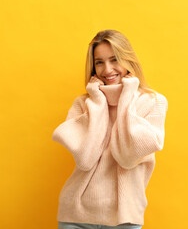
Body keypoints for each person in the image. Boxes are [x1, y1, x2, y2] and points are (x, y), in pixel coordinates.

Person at [52, 29, 168, 229]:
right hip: (76, 216)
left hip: (124, 217)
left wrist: (126, 97)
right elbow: (86, 159)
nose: (107, 69)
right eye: (99, 62)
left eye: (115, 59)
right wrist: (97, 101)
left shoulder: (153, 102)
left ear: (128, 60)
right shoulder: (83, 103)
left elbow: (128, 157)